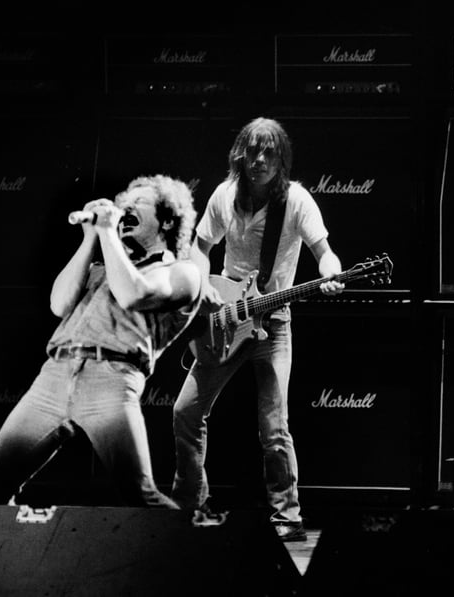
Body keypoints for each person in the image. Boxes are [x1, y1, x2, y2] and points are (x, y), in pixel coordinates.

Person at [0, 174, 201, 515]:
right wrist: (91, 239)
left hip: (111, 378)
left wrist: (108, 232)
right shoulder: (100, 268)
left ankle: (195, 558)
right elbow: (59, 304)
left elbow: (133, 293)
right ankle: (25, 562)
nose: (125, 208)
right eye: (124, 203)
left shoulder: (181, 273)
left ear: (167, 220)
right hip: (54, 376)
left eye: (138, 202)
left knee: (140, 496)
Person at [170, 117, 344, 541]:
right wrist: (203, 287)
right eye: (253, 151)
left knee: (273, 427)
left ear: (281, 159)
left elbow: (325, 253)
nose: (260, 160)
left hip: (273, 321)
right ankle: (190, 506)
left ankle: (287, 515)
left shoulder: (297, 201)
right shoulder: (224, 195)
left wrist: (333, 274)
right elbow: (199, 247)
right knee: (185, 412)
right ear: (240, 155)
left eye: (269, 153)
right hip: (225, 317)